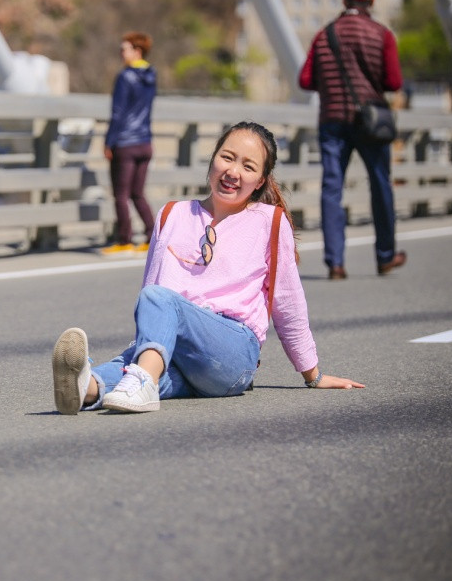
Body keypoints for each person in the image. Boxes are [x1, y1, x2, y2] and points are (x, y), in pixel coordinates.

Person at [51, 121, 364, 416]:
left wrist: (312, 373)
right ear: (212, 159)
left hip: (232, 353)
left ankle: (138, 380)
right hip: (187, 357)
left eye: (248, 166)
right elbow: (154, 298)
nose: (233, 171)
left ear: (260, 182)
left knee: (155, 302)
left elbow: (288, 303)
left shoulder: (269, 221)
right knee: (149, 351)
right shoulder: (172, 214)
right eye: (227, 157)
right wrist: (145, 347)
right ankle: (88, 388)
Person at [299, 0, 406, 280]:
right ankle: (385, 256)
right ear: (371, 0)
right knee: (380, 184)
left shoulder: (323, 35)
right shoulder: (382, 34)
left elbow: (305, 80)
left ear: (344, 0)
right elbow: (394, 82)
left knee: (332, 189)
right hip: (371, 122)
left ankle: (335, 262)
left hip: (332, 120)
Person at [102, 31, 157, 255]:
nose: (121, 53)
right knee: (138, 193)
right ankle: (152, 237)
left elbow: (118, 113)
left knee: (121, 194)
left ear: (137, 51)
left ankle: (124, 240)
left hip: (125, 142)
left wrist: (109, 142)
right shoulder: (151, 76)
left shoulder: (125, 77)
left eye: (124, 49)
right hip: (145, 142)